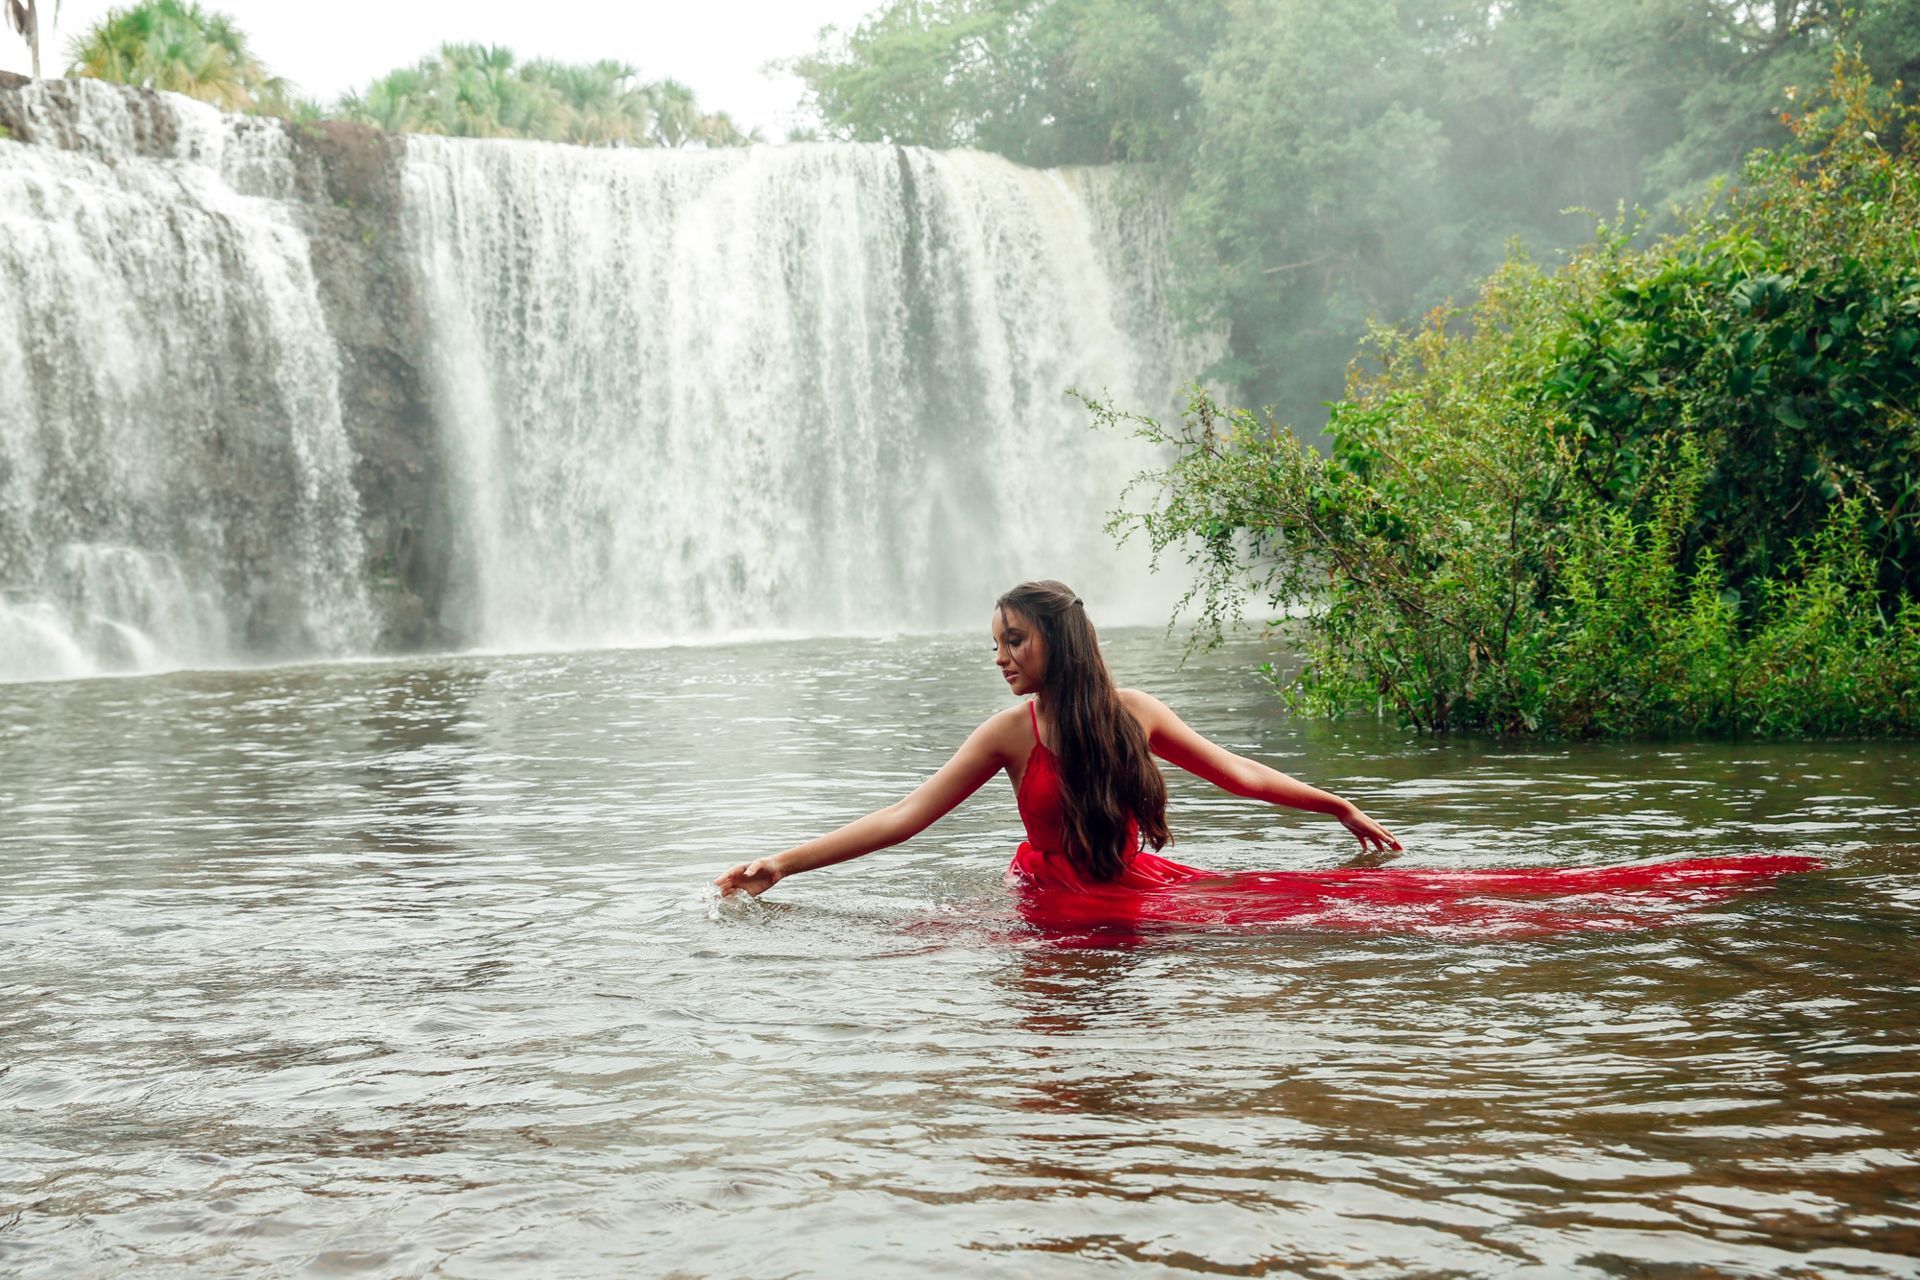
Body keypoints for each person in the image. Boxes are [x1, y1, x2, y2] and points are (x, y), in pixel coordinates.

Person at [713, 579, 1400, 901]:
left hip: (1127, 886)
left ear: (1057, 640)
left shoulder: (1137, 714)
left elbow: (1239, 774)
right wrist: (784, 862)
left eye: (1014, 641)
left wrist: (1335, 804)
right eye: (996, 644)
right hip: (1047, 900)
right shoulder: (1008, 735)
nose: (1001, 657)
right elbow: (904, 817)